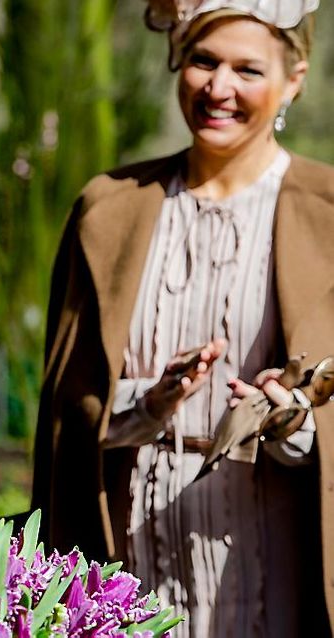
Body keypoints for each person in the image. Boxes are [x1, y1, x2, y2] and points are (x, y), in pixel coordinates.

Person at [31, 1, 334, 635]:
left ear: (294, 79)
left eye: (247, 70)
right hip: (125, 555)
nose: (218, 88)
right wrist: (148, 401)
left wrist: (294, 422)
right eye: (203, 61)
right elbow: (66, 402)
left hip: (271, 561)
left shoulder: (328, 215)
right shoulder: (110, 207)